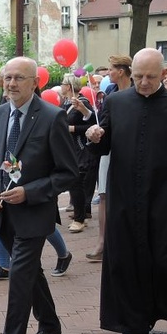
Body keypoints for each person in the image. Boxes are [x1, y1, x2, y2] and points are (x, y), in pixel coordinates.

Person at [85, 48, 167, 334]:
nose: (143, 82)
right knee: (126, 261)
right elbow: (104, 144)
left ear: (164, 75)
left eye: (151, 77)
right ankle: (134, 325)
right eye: (138, 76)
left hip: (165, 194)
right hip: (125, 195)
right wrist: (95, 136)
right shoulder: (115, 101)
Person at [0, 56, 77, 334]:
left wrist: (30, 192)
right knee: (30, 271)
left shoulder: (51, 117)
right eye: (7, 77)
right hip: (1, 215)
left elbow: (67, 173)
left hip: (34, 214)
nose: (11, 84)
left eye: (19, 78)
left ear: (36, 82)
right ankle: (49, 323)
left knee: (19, 280)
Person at [86, 54, 132, 263]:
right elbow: (104, 123)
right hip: (109, 151)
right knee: (104, 195)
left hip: (129, 153)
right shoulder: (110, 94)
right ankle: (103, 242)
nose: (108, 73)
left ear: (121, 71)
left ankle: (123, 241)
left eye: (112, 69)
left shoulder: (136, 93)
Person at [60, 74, 95, 233]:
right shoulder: (66, 102)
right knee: (75, 183)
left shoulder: (83, 102)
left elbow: (92, 124)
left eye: (63, 84)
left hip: (81, 149)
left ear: (69, 86)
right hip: (70, 148)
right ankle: (81, 214)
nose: (61, 86)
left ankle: (80, 219)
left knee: (77, 183)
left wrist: (71, 129)